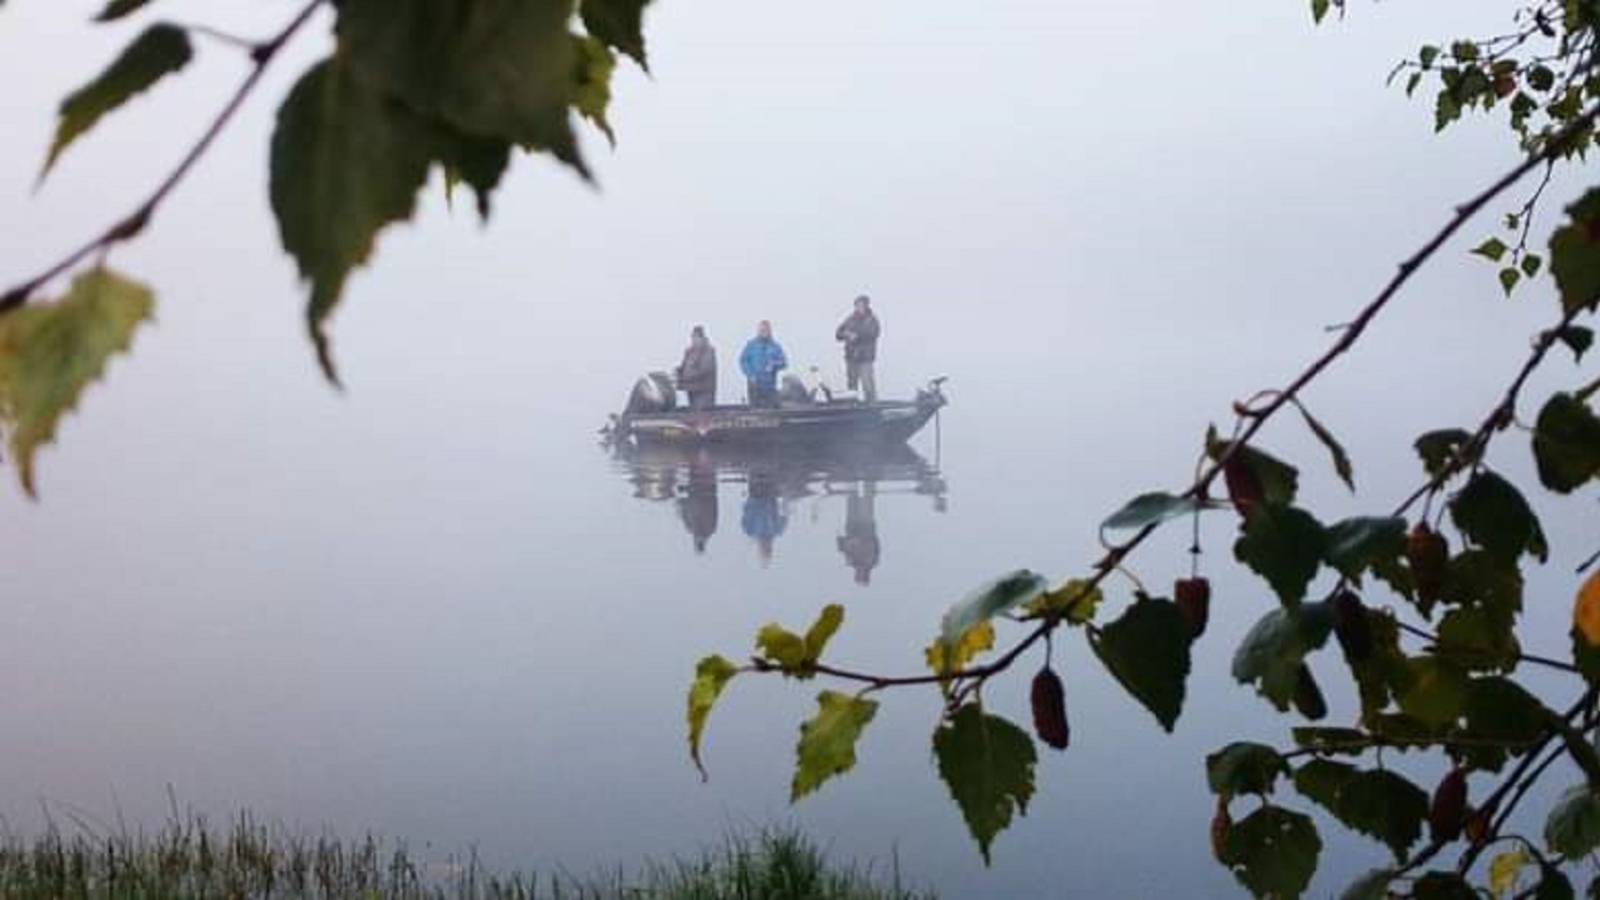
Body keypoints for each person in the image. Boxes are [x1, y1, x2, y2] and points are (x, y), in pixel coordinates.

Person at [834, 294, 880, 402]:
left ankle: (872, 407)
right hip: (851, 358)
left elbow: (873, 333)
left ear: (867, 306)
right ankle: (852, 407)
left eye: (862, 305)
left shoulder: (872, 320)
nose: (859, 307)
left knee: (868, 385)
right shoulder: (850, 319)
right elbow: (838, 333)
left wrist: (857, 335)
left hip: (865, 359)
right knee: (851, 386)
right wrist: (846, 335)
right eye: (857, 305)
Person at [738, 320, 788, 408]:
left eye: (766, 330)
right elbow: (743, 361)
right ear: (758, 331)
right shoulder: (751, 345)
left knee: (772, 410)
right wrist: (750, 374)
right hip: (754, 385)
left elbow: (784, 362)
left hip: (769, 386)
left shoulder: (775, 346)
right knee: (755, 411)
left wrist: (774, 365)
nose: (763, 332)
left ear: (770, 331)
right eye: (761, 330)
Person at [675, 325, 717, 410]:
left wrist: (687, 376)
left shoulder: (708, 351)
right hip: (691, 389)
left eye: (696, 337)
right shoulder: (689, 351)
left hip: (704, 390)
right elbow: (684, 366)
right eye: (693, 337)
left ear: (702, 338)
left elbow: (705, 369)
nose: (694, 339)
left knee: (702, 413)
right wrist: (679, 371)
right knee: (693, 412)